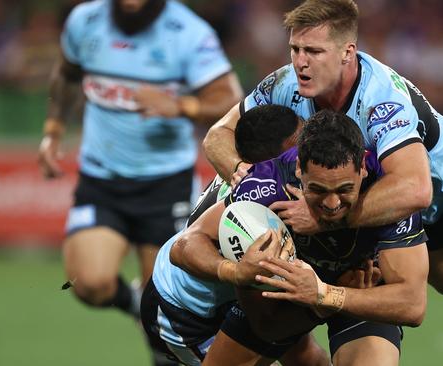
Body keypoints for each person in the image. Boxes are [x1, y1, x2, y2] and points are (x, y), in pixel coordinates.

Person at [202, 1, 443, 365]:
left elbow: (415, 190)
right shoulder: (288, 83)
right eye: (295, 50)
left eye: (314, 52)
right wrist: (245, 179)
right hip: (410, 211)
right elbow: (217, 136)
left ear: (347, 53)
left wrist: (323, 219)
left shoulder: (381, 100)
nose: (300, 63)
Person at [37, 0, 242, 364]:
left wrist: (182, 106)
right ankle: (136, 305)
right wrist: (53, 130)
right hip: (101, 177)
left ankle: (153, 324)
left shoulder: (188, 32)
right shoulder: (86, 21)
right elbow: (67, 73)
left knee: (164, 308)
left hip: (166, 183)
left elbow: (230, 100)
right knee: (88, 283)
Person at [172, 110, 429, 366]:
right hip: (289, 300)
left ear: (362, 168)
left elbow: (413, 304)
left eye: (344, 190)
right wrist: (235, 272)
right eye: (317, 189)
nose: (331, 203)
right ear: (298, 168)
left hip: (363, 291)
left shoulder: (388, 191)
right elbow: (185, 244)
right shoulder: (267, 183)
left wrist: (326, 294)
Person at [140, 105, 330, 366]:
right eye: (296, 149)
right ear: (269, 162)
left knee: (310, 359)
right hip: (184, 314)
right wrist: (235, 272)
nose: (307, 152)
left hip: (227, 295)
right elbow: (184, 247)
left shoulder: (260, 178)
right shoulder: (253, 209)